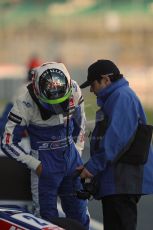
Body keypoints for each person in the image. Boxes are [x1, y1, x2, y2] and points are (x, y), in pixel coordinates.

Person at [1, 62, 90, 229]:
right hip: (44, 164)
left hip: (72, 160)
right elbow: (7, 142)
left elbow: (81, 123)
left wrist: (77, 151)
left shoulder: (75, 89)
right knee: (45, 219)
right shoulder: (24, 103)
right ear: (36, 90)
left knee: (79, 214)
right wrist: (35, 164)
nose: (56, 107)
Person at [78, 59, 153, 230]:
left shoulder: (122, 97)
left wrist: (92, 167)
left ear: (106, 79)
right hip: (117, 181)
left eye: (93, 84)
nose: (91, 89)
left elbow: (116, 139)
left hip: (123, 182)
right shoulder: (116, 97)